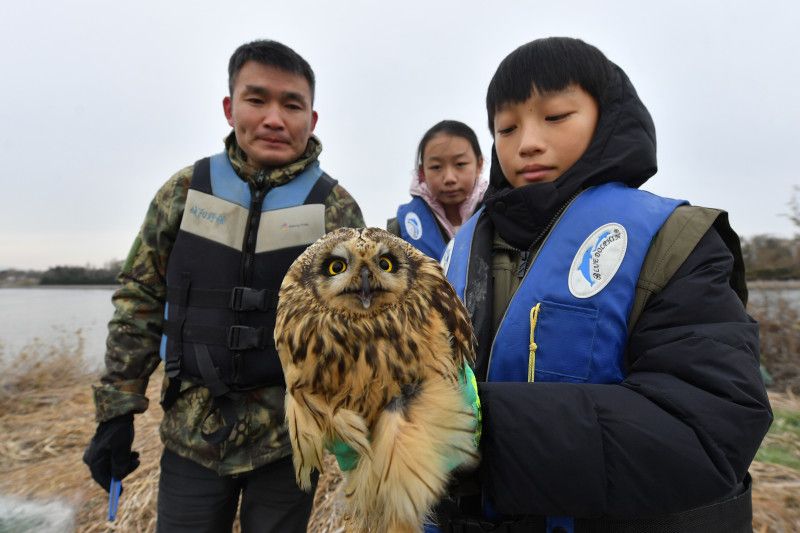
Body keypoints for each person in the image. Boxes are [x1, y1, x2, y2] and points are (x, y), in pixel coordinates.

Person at [436, 37, 772, 532]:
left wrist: (470, 430)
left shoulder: (676, 242)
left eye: (554, 117)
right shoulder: (451, 255)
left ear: (607, 117)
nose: (526, 141)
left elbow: (707, 429)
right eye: (506, 127)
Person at [82, 39, 365, 533]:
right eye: (257, 100)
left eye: (291, 104)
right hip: (193, 435)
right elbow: (138, 300)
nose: (274, 118)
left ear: (312, 120)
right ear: (230, 107)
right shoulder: (182, 193)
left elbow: (363, 331)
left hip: (291, 443)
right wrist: (116, 412)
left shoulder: (336, 211)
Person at [388, 120, 488, 259]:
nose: (449, 178)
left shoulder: (500, 216)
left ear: (479, 164)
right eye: (436, 167)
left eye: (460, 164)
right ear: (422, 173)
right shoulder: (397, 231)